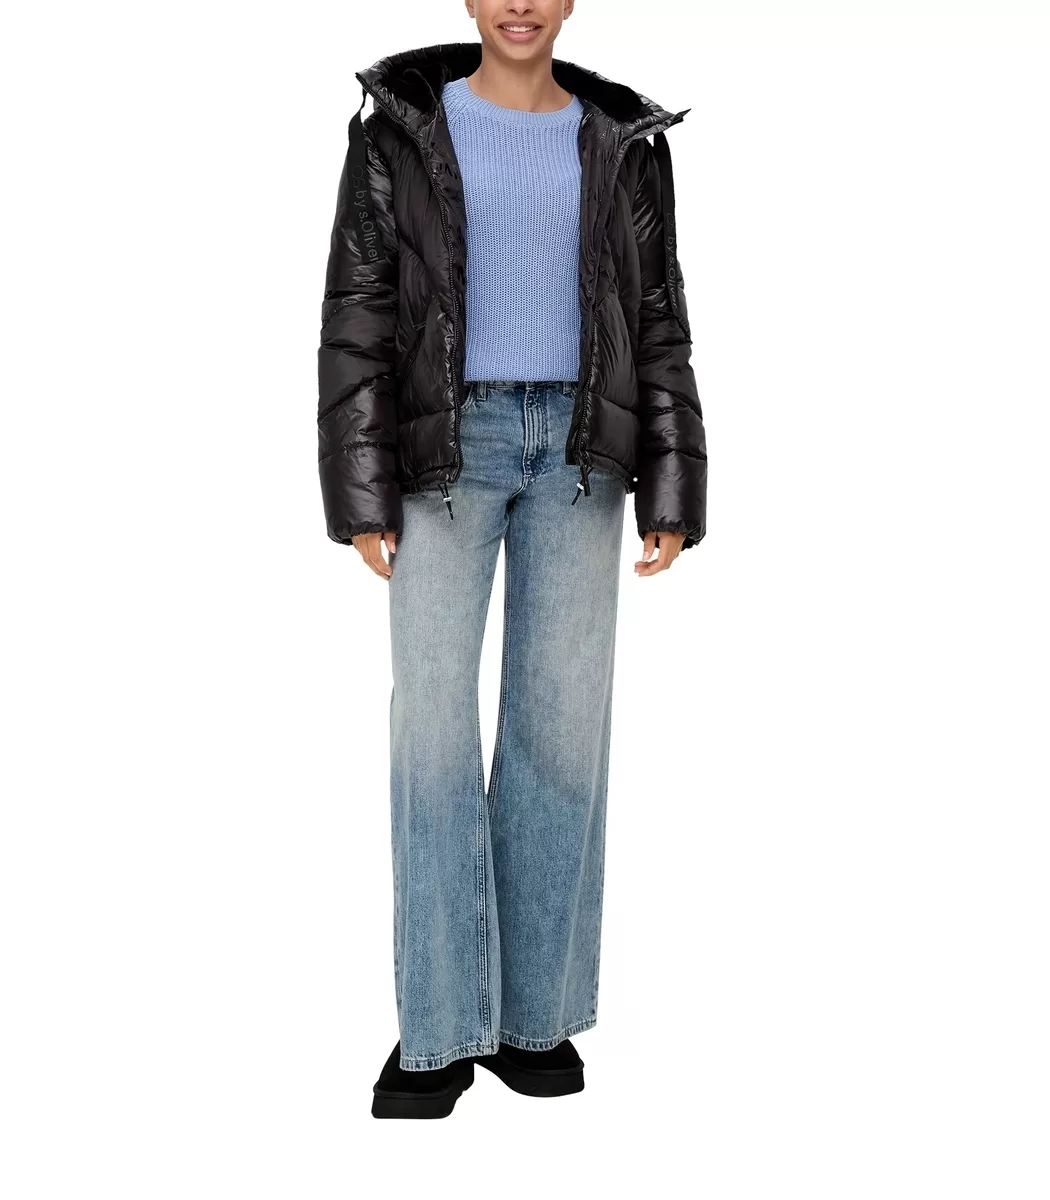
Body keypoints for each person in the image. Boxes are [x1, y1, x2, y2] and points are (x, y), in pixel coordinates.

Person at [317, 0, 707, 1119]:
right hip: (445, 450)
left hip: (585, 451)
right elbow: (358, 310)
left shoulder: (621, 140)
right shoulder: (400, 130)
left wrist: (673, 483)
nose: (520, 3)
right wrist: (359, 491)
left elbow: (658, 317)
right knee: (433, 733)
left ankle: (536, 1019)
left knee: (559, 732)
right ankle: (440, 1030)